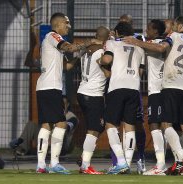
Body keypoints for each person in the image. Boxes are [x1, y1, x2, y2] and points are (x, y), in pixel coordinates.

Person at [124, 15, 183, 176]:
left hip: (167, 87)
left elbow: (159, 49)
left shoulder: (168, 39)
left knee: (162, 124)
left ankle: (176, 160)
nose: (170, 28)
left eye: (172, 25)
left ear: (179, 26)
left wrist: (135, 42)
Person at [35, 12, 99, 174]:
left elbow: (67, 67)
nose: (69, 26)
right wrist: (90, 42)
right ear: (57, 25)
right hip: (50, 87)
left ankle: (41, 165)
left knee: (46, 125)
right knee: (61, 123)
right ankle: (54, 163)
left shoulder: (51, 42)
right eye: (66, 23)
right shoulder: (53, 36)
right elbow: (69, 47)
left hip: (45, 87)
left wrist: (79, 55)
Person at [99, 21, 145, 174]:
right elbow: (140, 72)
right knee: (130, 125)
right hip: (133, 88)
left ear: (117, 33)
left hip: (117, 87)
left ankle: (120, 162)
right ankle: (128, 163)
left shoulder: (112, 43)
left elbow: (107, 60)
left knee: (110, 124)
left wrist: (100, 61)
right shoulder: (140, 47)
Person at [76, 26, 110, 174]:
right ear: (107, 37)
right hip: (94, 93)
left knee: (99, 125)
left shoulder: (86, 50)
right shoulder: (102, 52)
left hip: (82, 91)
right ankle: (85, 165)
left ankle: (84, 157)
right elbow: (107, 74)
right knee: (94, 129)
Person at [140, 19, 167, 175]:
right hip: (165, 89)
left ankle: (160, 164)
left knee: (155, 125)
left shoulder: (156, 44)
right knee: (167, 125)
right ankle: (180, 162)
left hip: (158, 90)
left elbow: (142, 43)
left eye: (149, 28)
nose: (146, 31)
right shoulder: (165, 43)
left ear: (156, 31)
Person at [9, 98, 79, 156]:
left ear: (68, 104)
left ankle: (51, 150)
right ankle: (21, 149)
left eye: (63, 103)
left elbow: (68, 127)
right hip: (46, 140)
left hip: (61, 144)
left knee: (61, 127)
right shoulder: (51, 114)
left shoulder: (72, 117)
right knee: (31, 124)